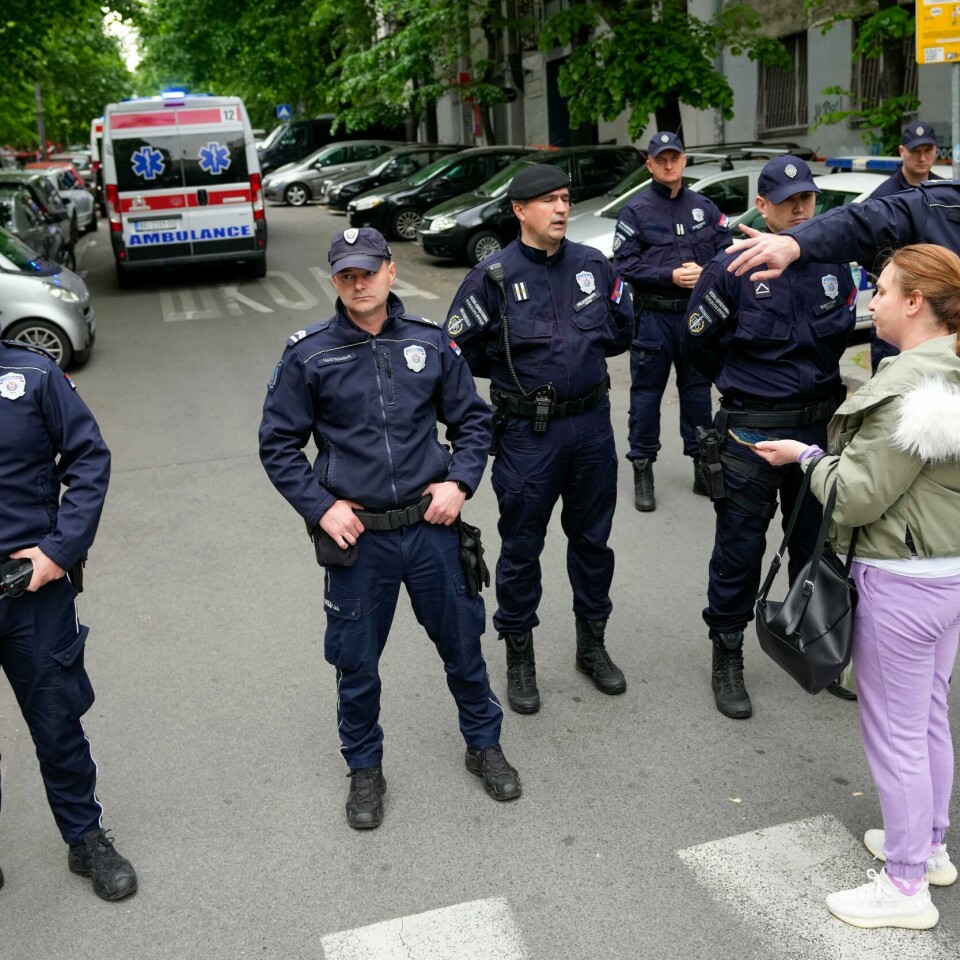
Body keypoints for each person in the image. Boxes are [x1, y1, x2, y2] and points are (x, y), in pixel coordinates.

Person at [259, 227, 520, 830]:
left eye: (368, 271)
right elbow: (277, 444)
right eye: (347, 274)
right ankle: (365, 769)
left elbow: (473, 423)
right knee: (356, 664)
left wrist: (459, 483)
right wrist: (321, 508)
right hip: (359, 540)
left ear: (390, 272)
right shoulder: (310, 354)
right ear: (335, 281)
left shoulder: (431, 344)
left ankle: (484, 746)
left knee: (463, 646)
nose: (360, 283)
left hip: (430, 530)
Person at [754, 244, 960, 930]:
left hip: (902, 577)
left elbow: (858, 496)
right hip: (945, 569)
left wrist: (809, 456)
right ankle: (927, 849)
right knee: (927, 717)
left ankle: (904, 888)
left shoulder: (912, 386)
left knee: (896, 735)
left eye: (881, 290)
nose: (870, 302)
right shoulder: (951, 368)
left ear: (914, 303)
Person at [444, 164, 632, 715]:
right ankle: (519, 655)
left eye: (566, 198)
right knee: (522, 549)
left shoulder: (593, 266)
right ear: (520, 211)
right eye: (548, 200)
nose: (561, 208)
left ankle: (591, 646)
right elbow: (458, 350)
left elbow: (623, 327)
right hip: (529, 433)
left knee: (593, 542)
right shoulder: (493, 276)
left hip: (591, 426)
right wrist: (513, 377)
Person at [681, 156, 857, 720]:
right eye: (788, 201)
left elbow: (837, 339)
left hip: (816, 427)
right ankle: (727, 654)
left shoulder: (831, 260)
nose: (801, 208)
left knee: (816, 544)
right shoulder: (730, 266)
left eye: (807, 197)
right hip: (753, 432)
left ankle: (815, 643)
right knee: (741, 548)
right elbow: (697, 346)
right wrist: (750, 392)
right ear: (762, 205)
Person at [0, 341, 137, 901]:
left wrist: (58, 551)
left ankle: (85, 839)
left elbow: (88, 458)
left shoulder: (32, 375)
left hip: (31, 589)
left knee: (56, 723)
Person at [611, 131, 730, 511]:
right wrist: (669, 276)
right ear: (649, 164)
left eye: (674, 157)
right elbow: (623, 264)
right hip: (654, 317)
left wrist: (707, 268)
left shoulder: (705, 208)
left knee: (697, 391)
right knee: (646, 395)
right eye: (660, 159)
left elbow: (725, 252)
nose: (668, 164)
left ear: (684, 160)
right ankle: (642, 468)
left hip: (695, 317)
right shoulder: (636, 211)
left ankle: (702, 464)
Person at [867, 122, 943, 371]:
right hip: (898, 309)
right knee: (894, 382)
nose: (922, 157)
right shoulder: (882, 199)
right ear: (902, 151)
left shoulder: (945, 192)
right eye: (915, 151)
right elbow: (868, 254)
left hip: (940, 309)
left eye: (928, 150)